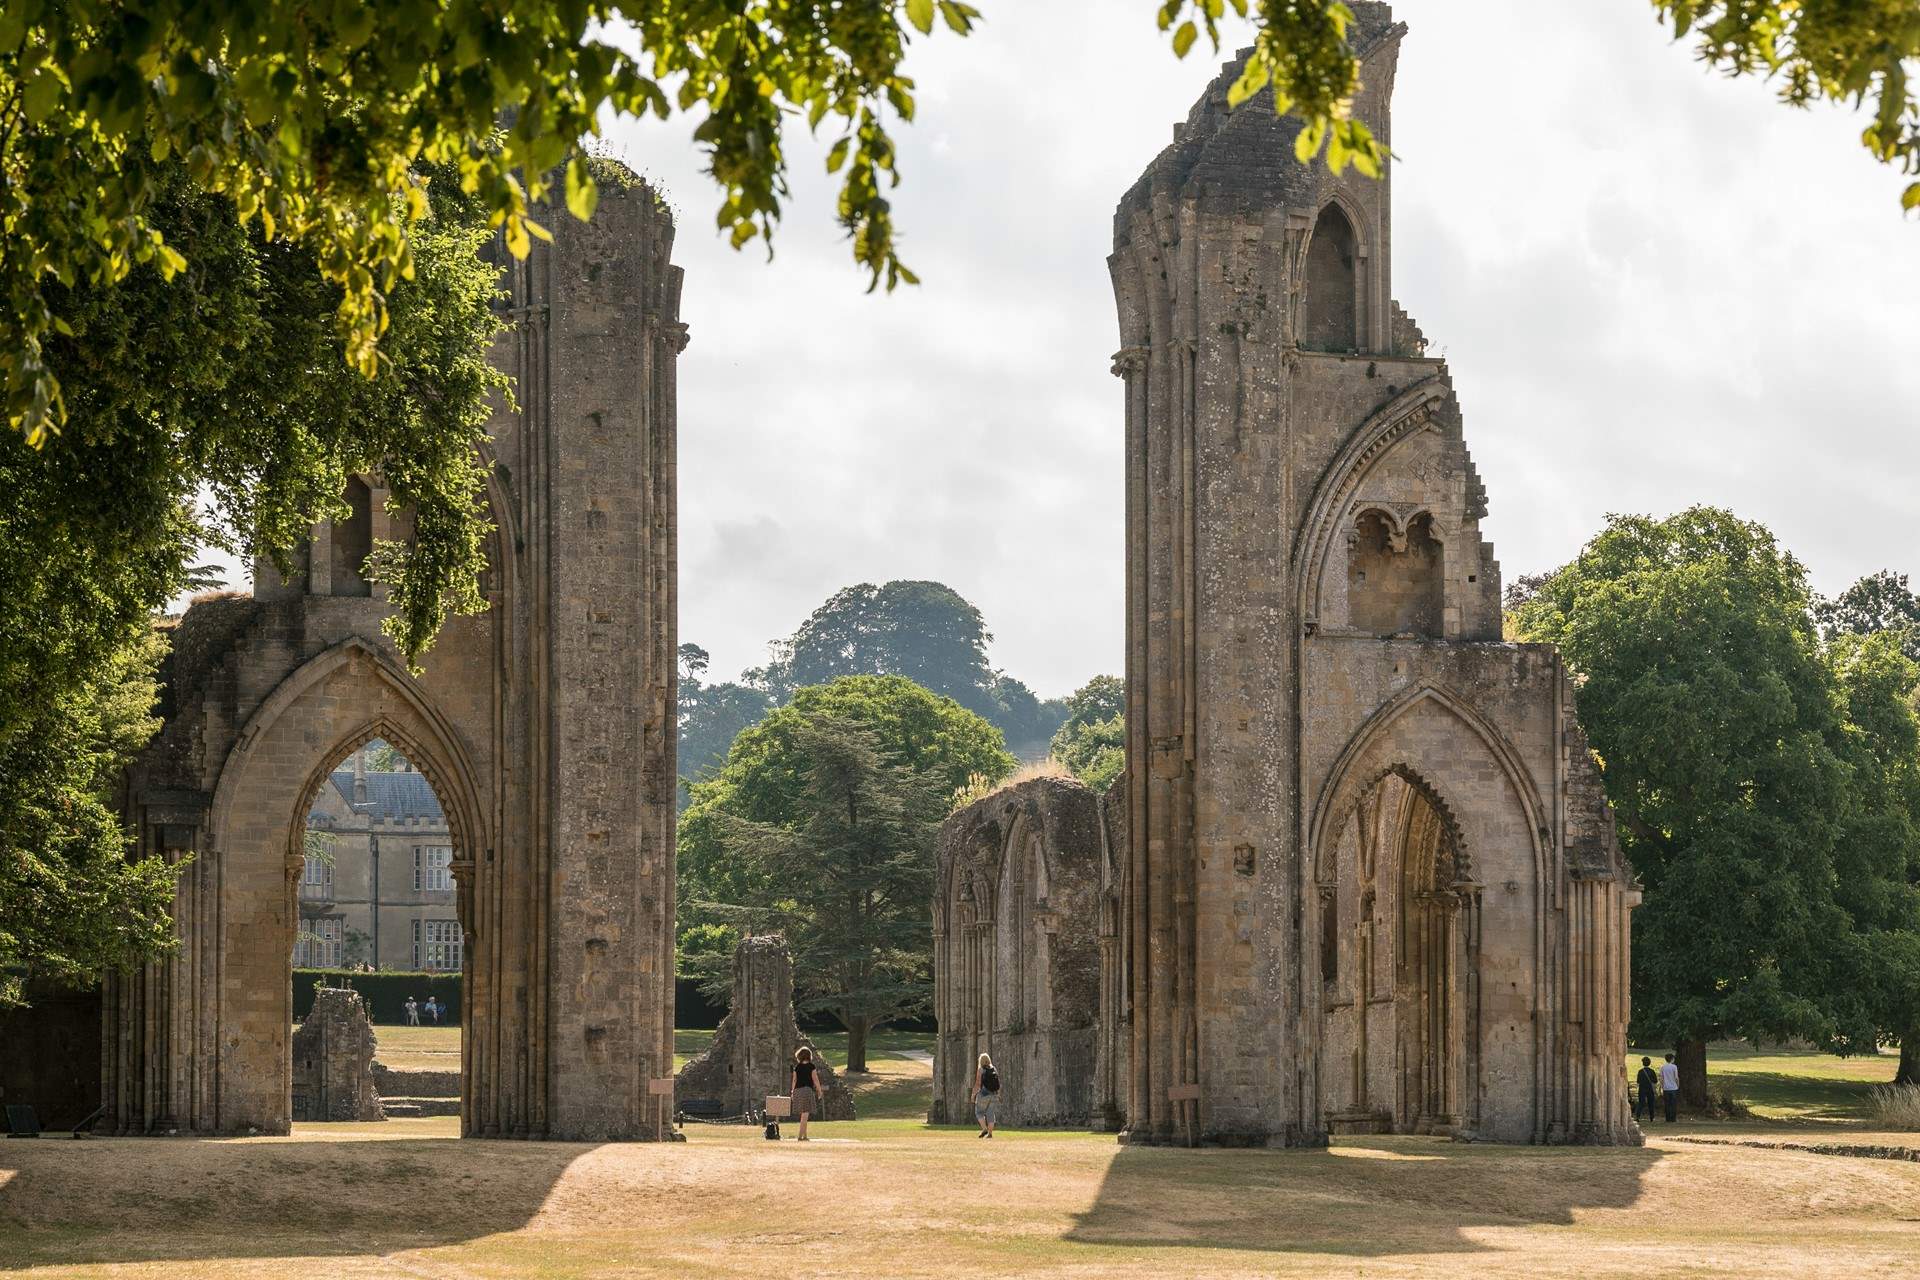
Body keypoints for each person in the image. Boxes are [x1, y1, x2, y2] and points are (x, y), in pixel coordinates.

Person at [790, 1046, 821, 1142]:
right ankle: (800, 1136)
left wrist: (792, 1092)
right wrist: (819, 1091)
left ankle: (805, 1135)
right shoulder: (811, 1066)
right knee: (805, 1115)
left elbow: (794, 1080)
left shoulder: (797, 1067)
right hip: (807, 1090)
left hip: (798, 1091)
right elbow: (815, 1079)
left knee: (803, 1115)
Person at [972, 1052, 1001, 1138]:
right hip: (994, 1095)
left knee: (979, 1112)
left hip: (984, 1094)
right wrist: (999, 1095)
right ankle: (990, 1133)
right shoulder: (994, 1069)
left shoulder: (981, 1070)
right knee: (990, 1113)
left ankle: (984, 1129)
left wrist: (973, 1095)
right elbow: (998, 1083)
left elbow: (977, 1084)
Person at [1635, 1056, 1659, 1122]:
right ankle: (1652, 1117)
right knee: (1651, 1103)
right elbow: (1655, 1081)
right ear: (1649, 1063)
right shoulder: (1652, 1071)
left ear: (1643, 1063)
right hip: (1650, 1089)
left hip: (1642, 1089)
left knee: (1641, 1103)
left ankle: (1637, 1116)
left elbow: (1638, 1081)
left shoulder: (1640, 1071)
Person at [1660, 1052, 1681, 1122]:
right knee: (1673, 1104)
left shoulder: (1663, 1067)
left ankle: (1668, 1118)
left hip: (1666, 1088)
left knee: (1667, 1104)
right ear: (1672, 1059)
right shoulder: (1674, 1067)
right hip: (1673, 1088)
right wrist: (1678, 1085)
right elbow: (1676, 1077)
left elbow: (1662, 1078)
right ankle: (1673, 1118)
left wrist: (1662, 1087)